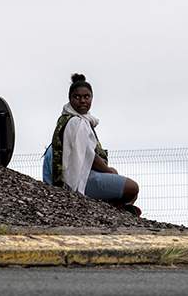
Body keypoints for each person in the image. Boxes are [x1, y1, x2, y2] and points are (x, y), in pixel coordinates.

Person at [42, 73, 141, 215]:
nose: (82, 101)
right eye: (77, 97)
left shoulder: (72, 120)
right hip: (77, 181)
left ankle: (114, 205)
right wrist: (108, 170)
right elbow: (89, 155)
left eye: (86, 97)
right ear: (70, 99)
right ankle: (113, 207)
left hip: (77, 176)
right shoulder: (77, 123)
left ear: (92, 98)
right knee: (133, 188)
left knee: (120, 182)